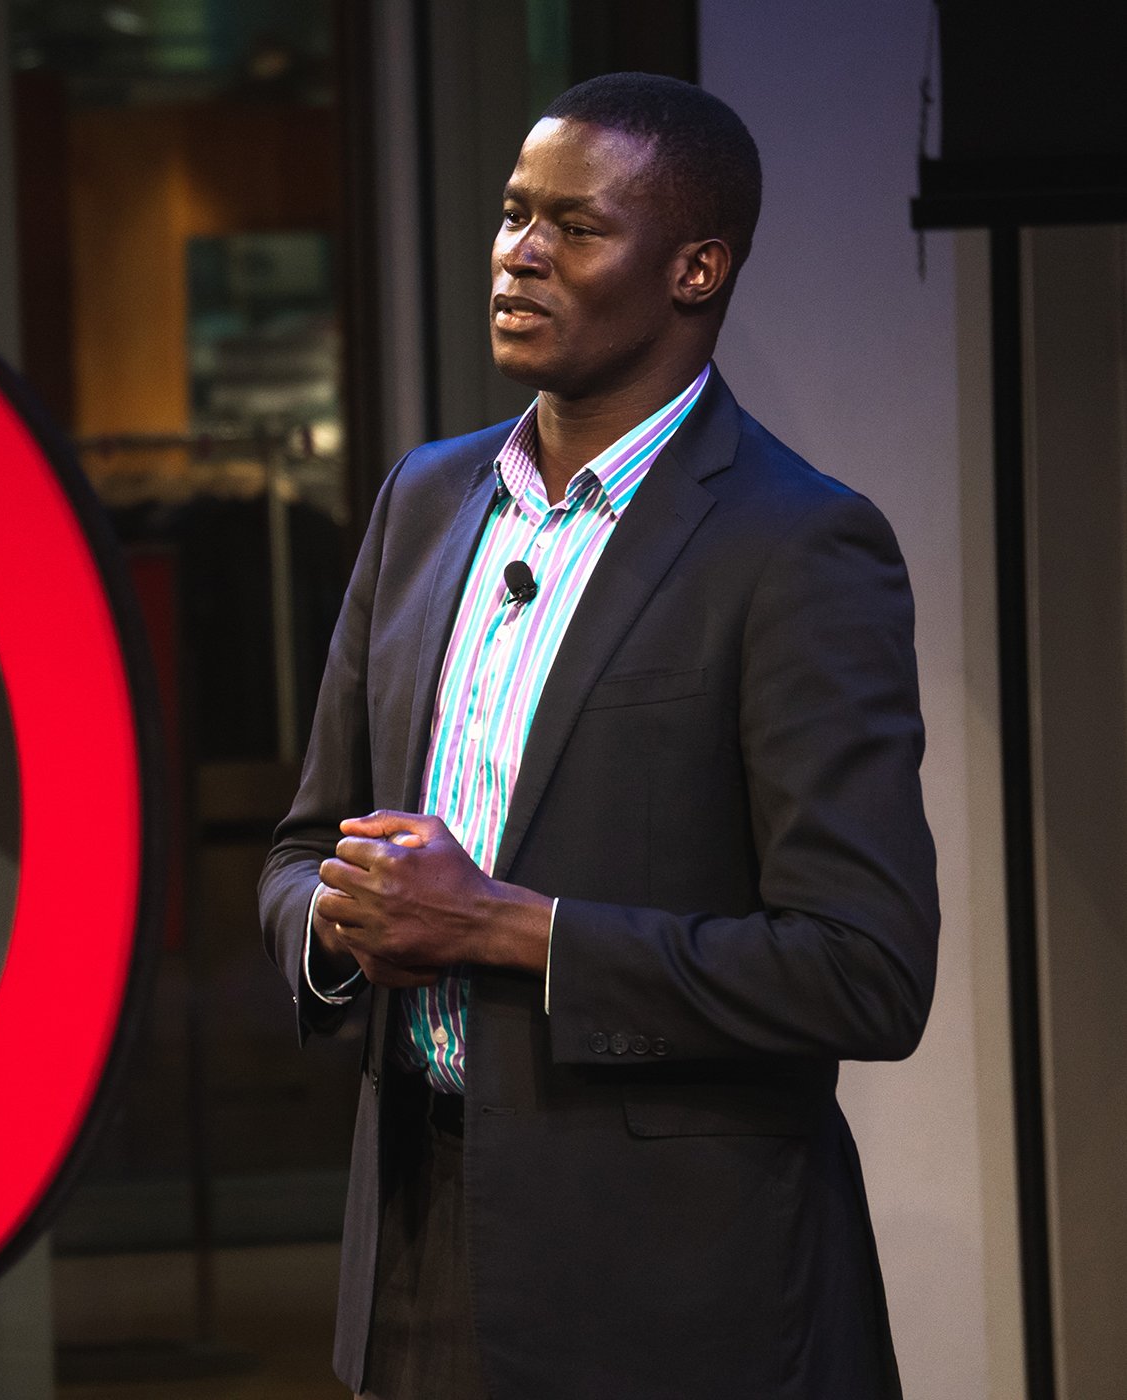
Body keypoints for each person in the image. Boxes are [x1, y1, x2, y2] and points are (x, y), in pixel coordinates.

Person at [257, 72, 937, 1399]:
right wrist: (338, 928)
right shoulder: (426, 501)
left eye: (575, 226)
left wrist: (505, 928)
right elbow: (299, 848)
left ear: (694, 268)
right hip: (416, 1248)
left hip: (673, 1296)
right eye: (516, 213)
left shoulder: (797, 548)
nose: (520, 251)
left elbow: (864, 970)